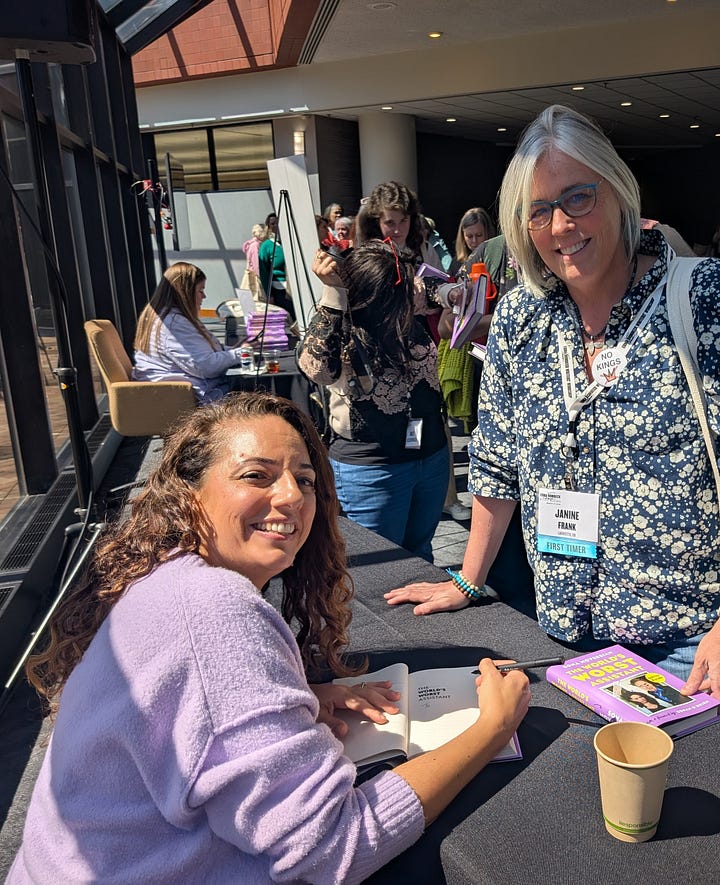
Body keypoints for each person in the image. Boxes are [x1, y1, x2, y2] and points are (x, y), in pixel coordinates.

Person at [8, 393, 530, 883]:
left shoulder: (164, 579)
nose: (292, 497)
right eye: (256, 475)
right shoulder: (215, 611)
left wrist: (298, 699)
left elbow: (190, 711)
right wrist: (491, 729)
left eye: (305, 480)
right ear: (188, 492)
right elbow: (336, 847)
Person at [386, 104, 720, 696]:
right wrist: (467, 579)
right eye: (538, 210)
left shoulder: (702, 299)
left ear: (618, 191)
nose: (561, 226)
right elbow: (496, 463)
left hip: (690, 643)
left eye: (578, 198)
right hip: (561, 633)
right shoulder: (521, 316)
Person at [298, 239, 450, 561]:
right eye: (400, 292)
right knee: (377, 566)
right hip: (373, 468)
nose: (410, 298)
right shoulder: (346, 326)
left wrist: (451, 293)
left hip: (430, 455)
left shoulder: (406, 303)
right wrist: (333, 293)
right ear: (375, 295)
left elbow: (434, 288)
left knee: (421, 557)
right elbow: (316, 367)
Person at [132, 261, 247, 403]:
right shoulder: (174, 323)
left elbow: (201, 354)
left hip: (176, 393)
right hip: (189, 399)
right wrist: (242, 353)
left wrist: (235, 350)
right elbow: (205, 366)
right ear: (185, 293)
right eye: (200, 290)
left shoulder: (166, 317)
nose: (204, 296)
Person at [450, 207, 497, 275]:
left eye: (479, 235)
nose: (474, 241)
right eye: (469, 236)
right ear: (463, 237)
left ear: (488, 233)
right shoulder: (457, 262)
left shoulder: (498, 257)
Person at [241, 222, 267, 301]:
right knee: (258, 300)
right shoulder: (256, 245)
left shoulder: (250, 244)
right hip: (255, 277)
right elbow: (256, 264)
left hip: (249, 274)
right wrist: (262, 277)